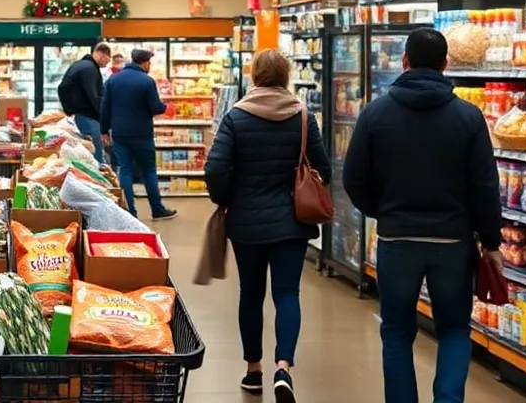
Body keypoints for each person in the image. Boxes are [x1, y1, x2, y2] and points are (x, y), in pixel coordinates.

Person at [343, 27, 502, 403]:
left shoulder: (374, 114)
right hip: (453, 243)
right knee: (453, 330)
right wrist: (491, 241)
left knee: (397, 332)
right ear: (446, 64)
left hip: (397, 242)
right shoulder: (468, 117)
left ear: (404, 61)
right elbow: (484, 187)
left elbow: (353, 179)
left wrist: (382, 210)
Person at [204, 49, 332, 403]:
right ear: (287, 76)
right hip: (292, 221)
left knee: (251, 293)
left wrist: (225, 197)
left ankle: (253, 369)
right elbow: (324, 166)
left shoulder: (236, 116)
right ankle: (283, 368)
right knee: (288, 293)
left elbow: (215, 168)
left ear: (255, 76)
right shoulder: (303, 116)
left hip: (246, 221)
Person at [100, 48, 177, 221]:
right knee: (149, 170)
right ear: (145, 62)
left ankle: (129, 212)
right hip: (142, 133)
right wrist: (167, 107)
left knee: (124, 170)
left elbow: (105, 107)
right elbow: (155, 107)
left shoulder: (113, 79)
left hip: (119, 133)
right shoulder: (146, 81)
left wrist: (104, 130)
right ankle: (157, 210)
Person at [58, 42, 112, 163]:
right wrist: (103, 117)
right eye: (107, 60)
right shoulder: (90, 69)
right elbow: (93, 96)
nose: (106, 64)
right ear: (101, 54)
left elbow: (62, 87)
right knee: (95, 153)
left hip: (81, 115)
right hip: (88, 116)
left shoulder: (81, 65)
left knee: (89, 151)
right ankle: (98, 180)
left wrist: (69, 109)